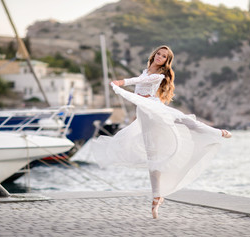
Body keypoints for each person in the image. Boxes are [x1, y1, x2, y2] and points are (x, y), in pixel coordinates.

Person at [92, 45, 231, 219]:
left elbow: (138, 81)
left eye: (164, 56)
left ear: (167, 61)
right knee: (153, 159)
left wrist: (121, 83)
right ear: (154, 55)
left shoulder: (159, 76)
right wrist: (121, 85)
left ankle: (217, 132)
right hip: (145, 117)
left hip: (154, 108)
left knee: (184, 120)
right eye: (158, 53)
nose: (160, 57)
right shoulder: (146, 70)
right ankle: (156, 196)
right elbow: (140, 80)